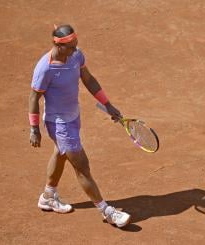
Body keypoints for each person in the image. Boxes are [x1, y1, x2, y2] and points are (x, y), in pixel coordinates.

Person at [28, 24, 131, 228]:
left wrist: (107, 105)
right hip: (58, 122)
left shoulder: (76, 56)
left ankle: (48, 196)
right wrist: (34, 128)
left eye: (76, 45)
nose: (76, 50)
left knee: (60, 153)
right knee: (82, 165)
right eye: (71, 47)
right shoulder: (45, 68)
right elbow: (34, 97)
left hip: (73, 116)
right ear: (58, 45)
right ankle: (106, 211)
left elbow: (88, 79)